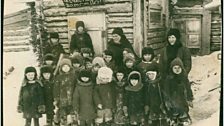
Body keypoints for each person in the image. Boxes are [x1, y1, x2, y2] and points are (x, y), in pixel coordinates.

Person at [164, 57, 193, 126]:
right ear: (172, 69)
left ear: (181, 68)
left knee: (183, 112)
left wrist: (189, 98)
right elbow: (166, 91)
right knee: (174, 112)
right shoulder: (169, 79)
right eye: (175, 68)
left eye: (178, 68)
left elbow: (188, 88)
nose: (177, 70)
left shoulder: (184, 78)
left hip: (182, 100)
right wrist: (167, 100)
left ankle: (184, 120)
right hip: (173, 100)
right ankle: (174, 120)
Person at [53, 58, 76, 126]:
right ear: (61, 68)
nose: (65, 68)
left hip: (72, 100)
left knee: (72, 115)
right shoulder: (58, 77)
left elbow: (76, 87)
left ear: (70, 67)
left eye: (67, 66)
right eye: (64, 66)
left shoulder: (74, 77)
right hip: (62, 101)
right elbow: (56, 89)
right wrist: (56, 99)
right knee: (63, 115)